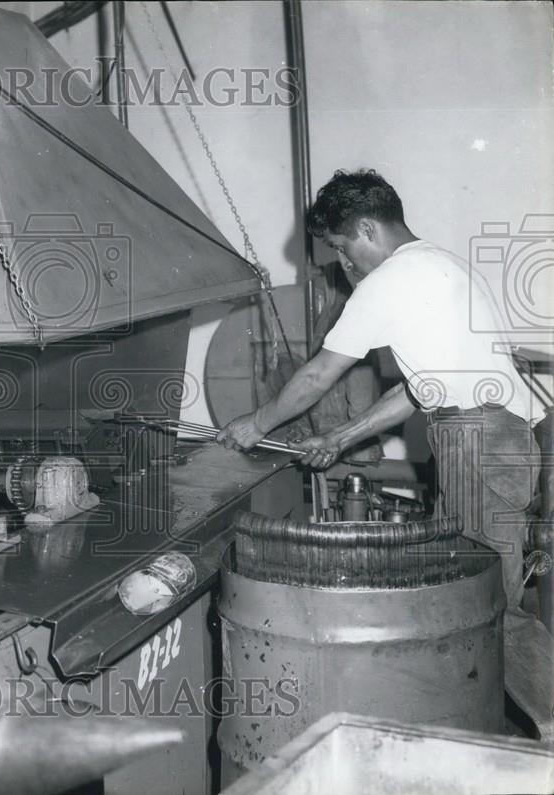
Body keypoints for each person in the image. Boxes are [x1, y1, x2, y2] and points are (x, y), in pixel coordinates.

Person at [215, 169, 543, 613]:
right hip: (488, 435)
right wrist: (337, 439)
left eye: (340, 246)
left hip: (475, 439)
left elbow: (317, 376)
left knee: (489, 610)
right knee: (461, 598)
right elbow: (416, 392)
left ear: (367, 229)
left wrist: (255, 424)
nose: (344, 262)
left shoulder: (389, 280)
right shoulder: (444, 264)